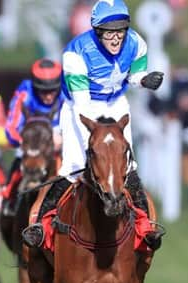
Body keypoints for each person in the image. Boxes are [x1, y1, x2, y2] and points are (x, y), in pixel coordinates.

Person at [22, 0, 165, 251]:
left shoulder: (137, 43)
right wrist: (101, 132)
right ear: (97, 31)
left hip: (116, 104)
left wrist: (145, 80)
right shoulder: (75, 53)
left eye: (120, 30)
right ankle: (41, 228)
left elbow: (132, 76)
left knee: (128, 167)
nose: (115, 38)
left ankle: (145, 228)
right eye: (109, 32)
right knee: (74, 167)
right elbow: (82, 102)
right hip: (80, 107)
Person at [2, 58, 65, 215]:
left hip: (61, 134)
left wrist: (65, 138)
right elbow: (11, 128)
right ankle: (9, 199)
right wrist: (24, 142)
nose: (48, 96)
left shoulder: (68, 89)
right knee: (21, 158)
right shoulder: (25, 91)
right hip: (31, 137)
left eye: (52, 91)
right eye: (43, 91)